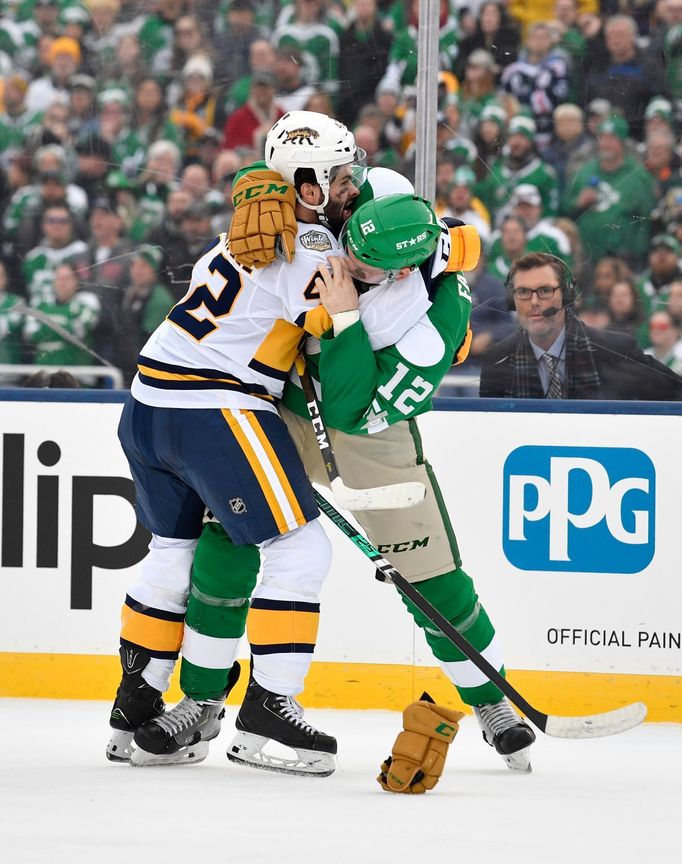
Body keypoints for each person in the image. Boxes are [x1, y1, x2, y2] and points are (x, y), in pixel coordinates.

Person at [127, 170, 536, 774]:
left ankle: (491, 701)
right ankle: (202, 696)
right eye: (351, 248)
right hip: (281, 410)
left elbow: (349, 409)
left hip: (370, 432)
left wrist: (344, 317)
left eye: (369, 268)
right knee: (227, 537)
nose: (348, 265)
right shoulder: (373, 199)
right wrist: (257, 188)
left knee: (428, 575)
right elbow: (307, 164)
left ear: (403, 271)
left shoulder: (430, 328)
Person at [106, 111, 364, 771]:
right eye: (336, 176)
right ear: (303, 185)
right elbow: (331, 325)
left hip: (147, 404)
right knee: (301, 549)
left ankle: (135, 706)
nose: (348, 186)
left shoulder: (237, 233)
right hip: (213, 408)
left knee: (172, 551)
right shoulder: (307, 245)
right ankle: (269, 714)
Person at [479, 252, 682, 400]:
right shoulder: (497, 360)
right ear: (512, 300)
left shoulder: (617, 351)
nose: (533, 302)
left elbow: (675, 393)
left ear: (567, 296)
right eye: (523, 292)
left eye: (545, 291)